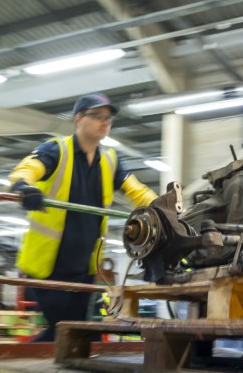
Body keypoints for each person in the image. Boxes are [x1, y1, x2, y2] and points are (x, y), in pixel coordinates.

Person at [8, 92, 157, 343]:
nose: (104, 122)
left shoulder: (109, 160)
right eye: (97, 116)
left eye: (108, 118)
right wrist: (23, 186)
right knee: (70, 331)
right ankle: (13, 364)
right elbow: (29, 167)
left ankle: (17, 363)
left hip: (84, 267)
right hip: (48, 267)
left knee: (72, 332)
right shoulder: (57, 150)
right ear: (78, 118)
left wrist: (160, 206)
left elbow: (135, 189)